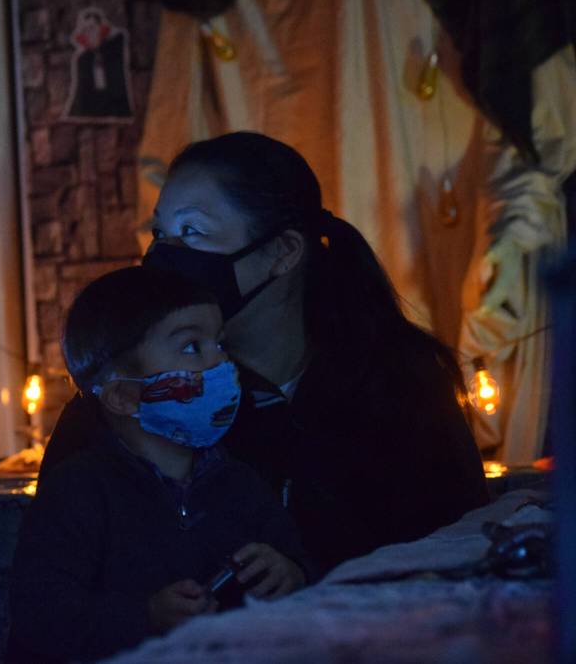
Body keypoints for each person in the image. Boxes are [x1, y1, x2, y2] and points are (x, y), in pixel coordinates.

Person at [41, 132, 489, 576]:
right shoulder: (128, 398)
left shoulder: (398, 386)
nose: (164, 255)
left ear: (283, 252)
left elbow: (457, 554)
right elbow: (58, 594)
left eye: (192, 231)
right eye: (160, 232)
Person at [8, 267, 311, 663]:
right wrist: (143, 617)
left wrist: (290, 572)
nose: (221, 364)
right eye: (191, 347)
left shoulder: (241, 483)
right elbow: (40, 619)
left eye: (218, 343)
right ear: (123, 397)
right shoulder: (77, 492)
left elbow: (302, 563)